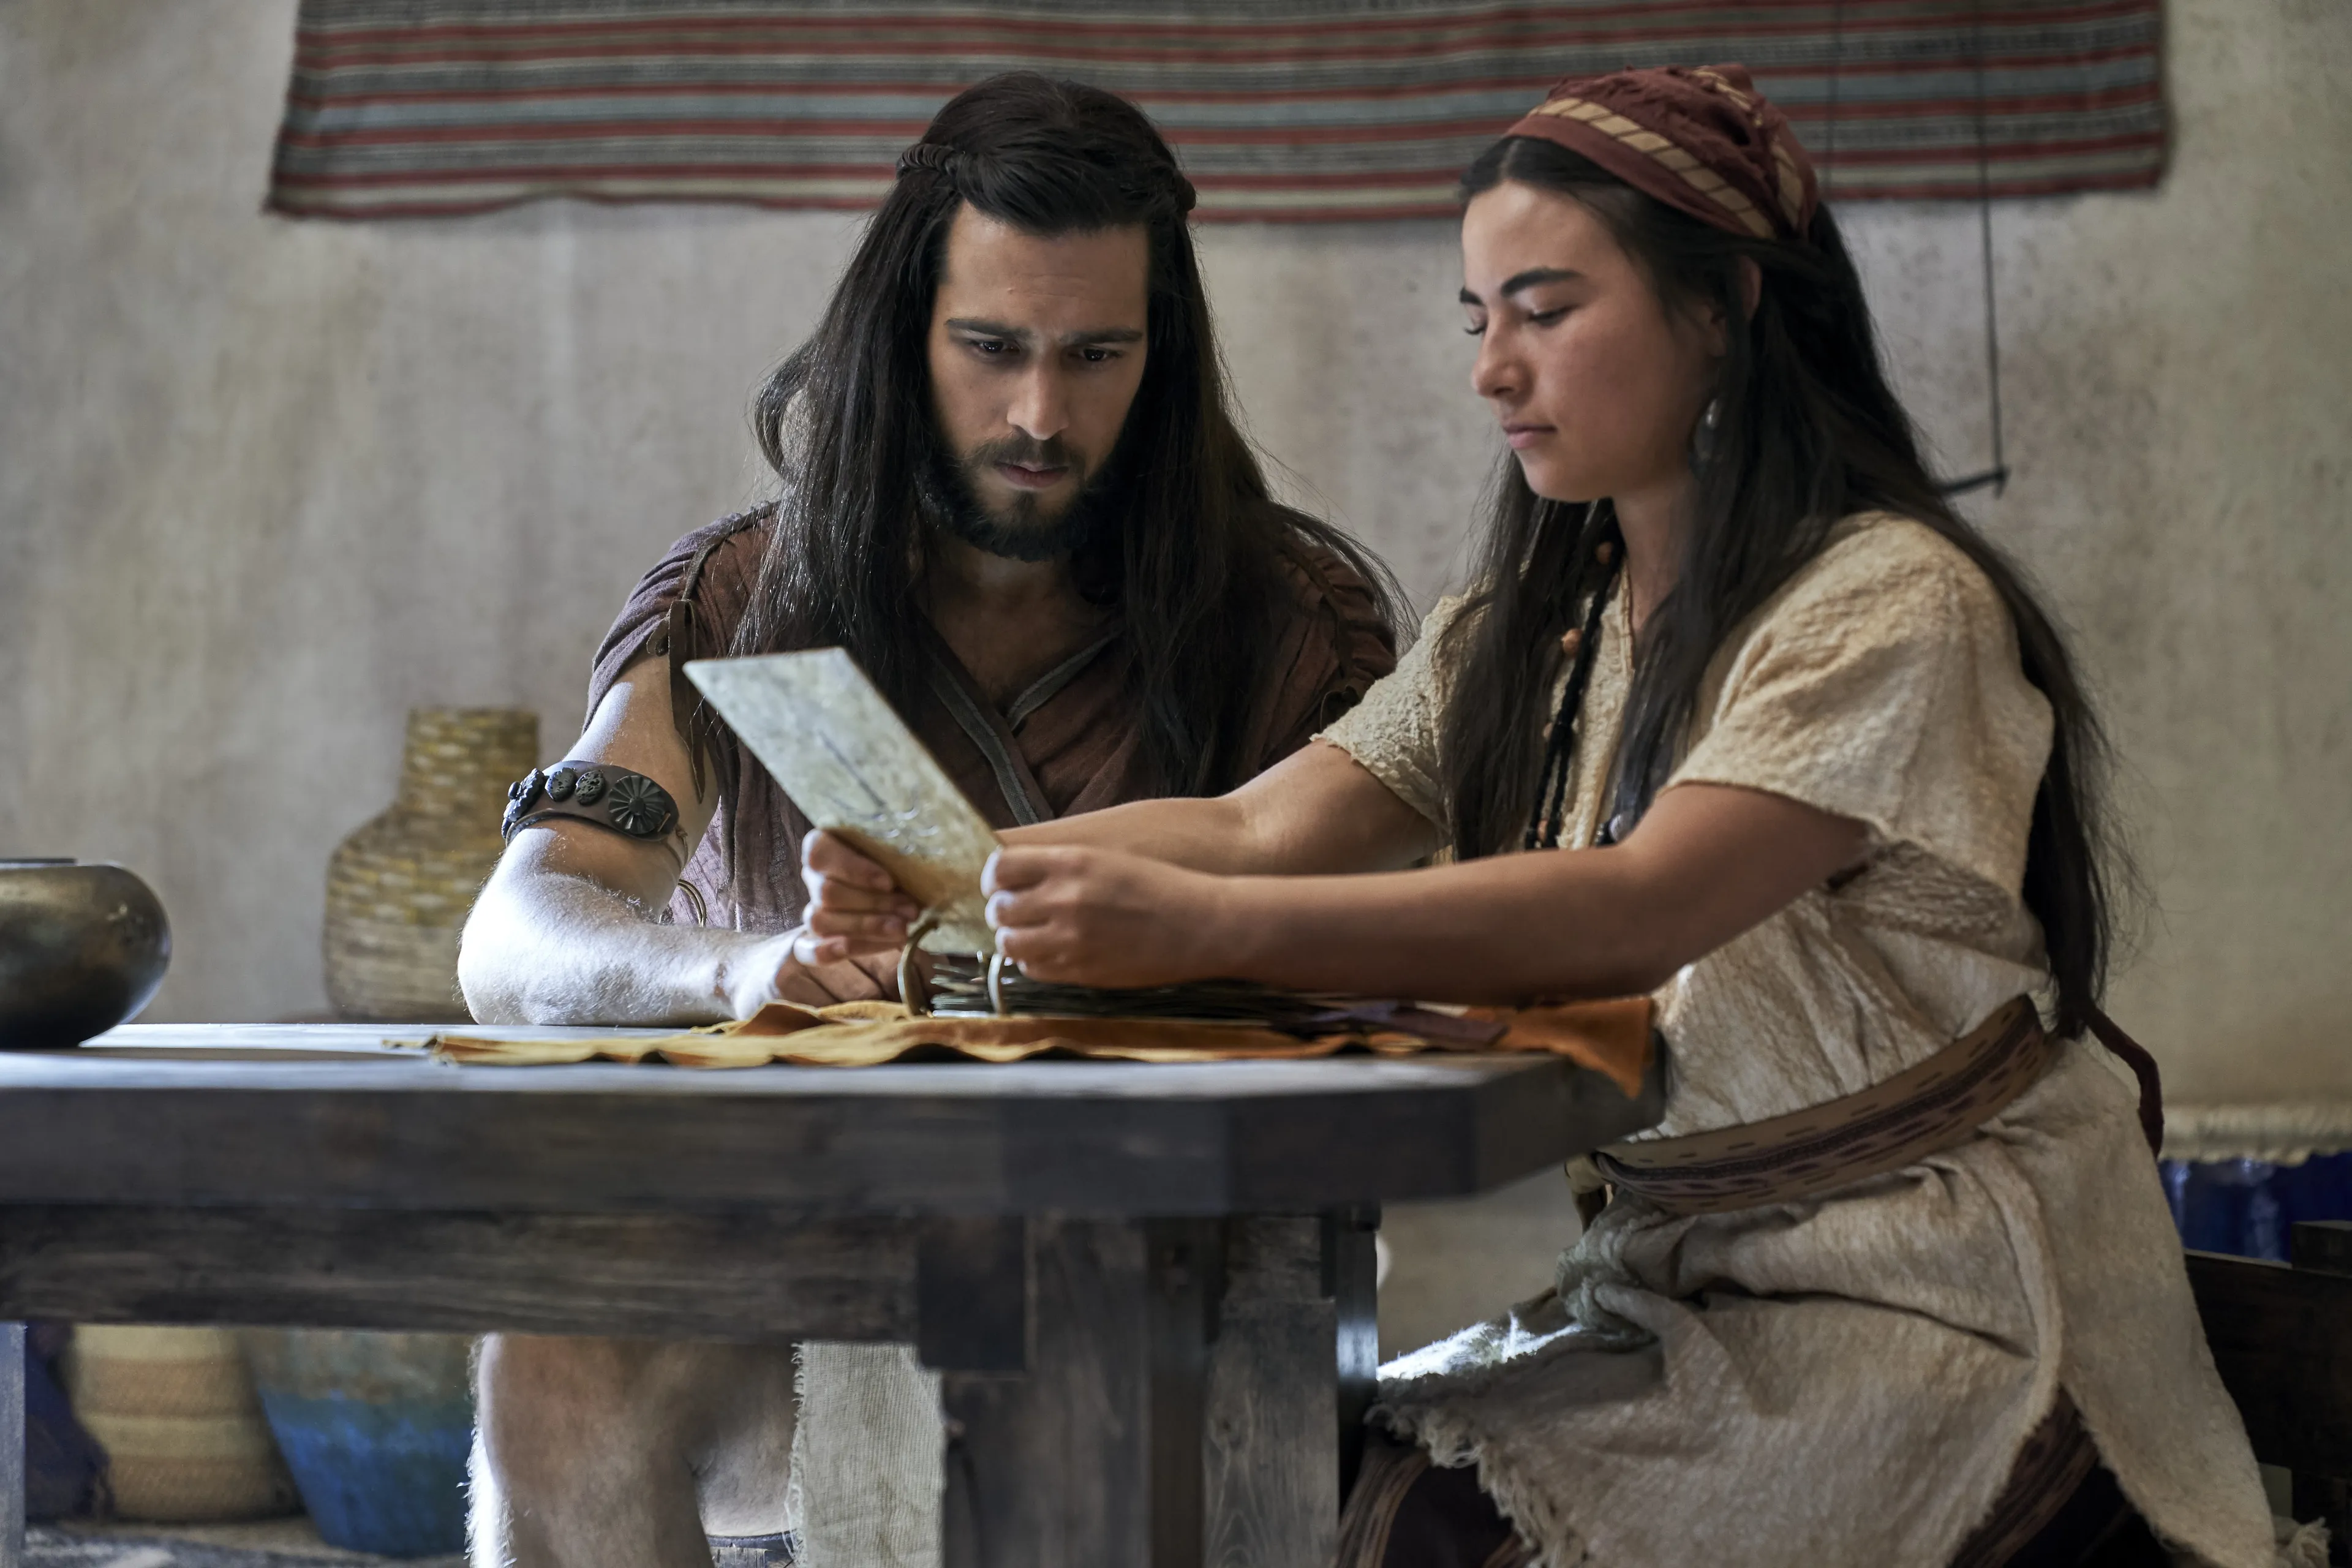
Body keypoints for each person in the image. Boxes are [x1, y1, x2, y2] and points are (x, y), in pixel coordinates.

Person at [805, 66, 2284, 1568]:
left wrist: (1197, 931)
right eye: (1478, 319)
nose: (1491, 371)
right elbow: (1260, 828)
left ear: (1720, 311)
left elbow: (1644, 904)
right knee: (1263, 1457)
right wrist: (961, 872)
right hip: (1682, 1290)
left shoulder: (1888, 601)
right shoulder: (1534, 622)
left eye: (1545, 309)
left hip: (1938, 1308)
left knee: (1393, 1523)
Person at [456, 73, 1399, 1568]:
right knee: (558, 1349)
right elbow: (516, 934)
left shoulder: (1292, 623)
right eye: (991, 349)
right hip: (815, 1259)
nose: (1041, 412)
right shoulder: (744, 599)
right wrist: (737, 970)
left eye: (1097, 355)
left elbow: (1384, 966)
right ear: (905, 335)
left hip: (1186, 1290)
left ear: (1163, 357)